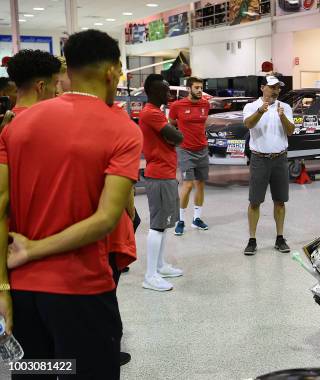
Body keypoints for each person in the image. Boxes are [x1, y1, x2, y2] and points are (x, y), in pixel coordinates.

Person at [0, 29, 142, 379]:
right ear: (112, 72)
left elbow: (0, 206)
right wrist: (33, 250)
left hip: (24, 293)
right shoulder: (122, 129)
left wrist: (2, 287)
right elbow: (106, 218)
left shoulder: (17, 126)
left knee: (39, 374)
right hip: (82, 290)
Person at [140, 74, 184, 291]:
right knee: (157, 226)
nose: (169, 94)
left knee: (165, 224)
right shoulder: (150, 113)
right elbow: (177, 137)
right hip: (158, 176)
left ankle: (159, 266)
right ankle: (150, 275)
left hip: (165, 174)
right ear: (153, 92)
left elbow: (173, 136)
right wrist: (174, 134)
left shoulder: (157, 113)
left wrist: (173, 134)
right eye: (165, 91)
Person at [242, 75, 295, 255]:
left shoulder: (285, 107)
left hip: (280, 158)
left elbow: (291, 131)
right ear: (263, 88)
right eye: (272, 87)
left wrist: (282, 117)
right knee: (255, 201)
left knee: (280, 201)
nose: (276, 91)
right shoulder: (251, 106)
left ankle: (280, 238)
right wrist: (260, 111)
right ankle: (252, 240)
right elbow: (248, 124)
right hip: (259, 159)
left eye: (278, 88)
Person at [170, 77, 211, 235]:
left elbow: (203, 122)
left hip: (202, 149)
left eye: (201, 87)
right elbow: (171, 122)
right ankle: (180, 221)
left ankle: (197, 219)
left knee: (200, 184)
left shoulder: (205, 104)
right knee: (187, 185)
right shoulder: (177, 106)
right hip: (185, 150)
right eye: (196, 88)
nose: (200, 90)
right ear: (188, 89)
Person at [6, 49, 61, 116]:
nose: (57, 91)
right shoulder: (44, 121)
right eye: (55, 84)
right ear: (41, 86)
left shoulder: (7, 120)